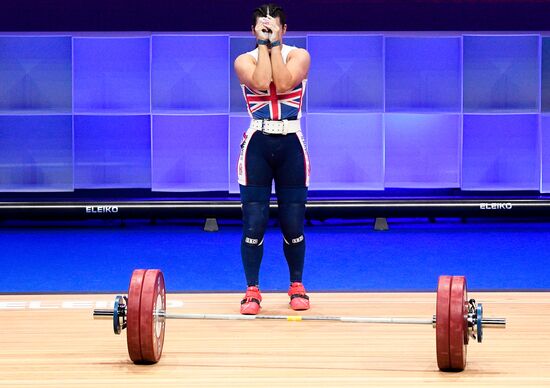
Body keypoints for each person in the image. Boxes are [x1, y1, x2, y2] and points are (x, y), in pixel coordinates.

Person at [234, 3, 311, 315]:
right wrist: (266, 47)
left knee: (292, 222)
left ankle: (296, 285)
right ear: (253, 31)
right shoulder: (243, 60)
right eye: (262, 28)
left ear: (285, 29)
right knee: (255, 221)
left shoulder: (299, 55)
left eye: (274, 27)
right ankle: (252, 290)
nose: (267, 32)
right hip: (258, 146)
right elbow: (262, 82)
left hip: (291, 144)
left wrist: (275, 44)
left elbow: (283, 84)